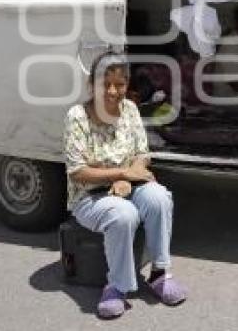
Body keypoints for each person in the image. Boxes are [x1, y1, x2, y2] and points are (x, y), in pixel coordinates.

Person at [64, 53, 186, 319]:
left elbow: (142, 154)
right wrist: (119, 175)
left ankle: (159, 273)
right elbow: (78, 172)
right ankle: (117, 286)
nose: (111, 91)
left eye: (119, 84)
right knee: (123, 214)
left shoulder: (130, 109)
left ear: (127, 85)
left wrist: (127, 176)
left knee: (159, 198)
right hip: (89, 195)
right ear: (91, 85)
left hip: (128, 184)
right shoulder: (77, 116)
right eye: (104, 83)